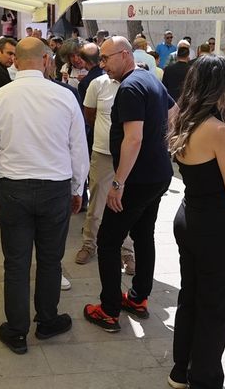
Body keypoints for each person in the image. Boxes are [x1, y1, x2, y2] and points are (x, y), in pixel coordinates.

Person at [0, 37, 88, 355]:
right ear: (46, 60)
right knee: (50, 260)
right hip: (55, 187)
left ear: (15, 61)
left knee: (16, 263)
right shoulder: (65, 96)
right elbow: (78, 149)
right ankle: (47, 320)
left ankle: (16, 331)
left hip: (14, 188)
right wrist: (77, 188)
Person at [168, 55, 225, 389]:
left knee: (190, 297)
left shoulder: (181, 119)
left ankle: (181, 370)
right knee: (215, 306)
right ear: (222, 88)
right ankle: (204, 378)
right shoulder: (220, 131)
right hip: (214, 226)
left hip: (189, 216)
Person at [84, 36, 177, 333]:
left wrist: (118, 182)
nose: (102, 65)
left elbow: (133, 138)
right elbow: (174, 113)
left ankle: (109, 310)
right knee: (143, 234)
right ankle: (138, 298)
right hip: (157, 174)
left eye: (106, 58)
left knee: (108, 241)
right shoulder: (149, 79)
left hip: (137, 180)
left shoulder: (130, 87)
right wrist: (159, 145)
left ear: (125, 55)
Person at [74, 67, 120, 265]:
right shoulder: (98, 84)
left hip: (130, 156)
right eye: (102, 58)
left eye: (107, 58)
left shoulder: (139, 82)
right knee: (96, 203)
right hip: (102, 153)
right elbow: (89, 115)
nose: (104, 64)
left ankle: (127, 251)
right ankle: (89, 244)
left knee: (127, 204)